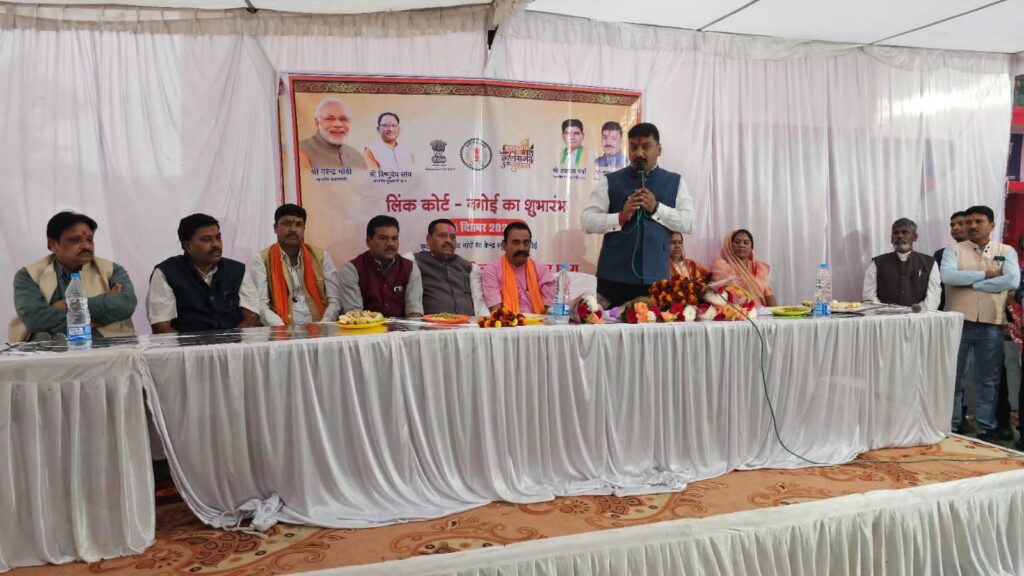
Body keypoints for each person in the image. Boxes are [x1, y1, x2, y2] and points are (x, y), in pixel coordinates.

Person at [581, 122, 696, 307]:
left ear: (659, 149)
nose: (639, 153)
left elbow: (689, 223)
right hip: (613, 279)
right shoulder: (610, 181)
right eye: (633, 147)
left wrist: (657, 208)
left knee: (652, 326)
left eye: (646, 147)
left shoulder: (675, 182)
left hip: (656, 281)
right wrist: (620, 217)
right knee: (608, 326)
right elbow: (586, 221)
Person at [940, 205, 1020, 443]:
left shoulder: (1005, 251)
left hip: (991, 324)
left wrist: (972, 284)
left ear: (992, 225)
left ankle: (986, 428)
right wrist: (986, 275)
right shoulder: (953, 251)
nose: (972, 226)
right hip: (957, 322)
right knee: (953, 378)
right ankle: (952, 424)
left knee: (989, 380)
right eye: (969, 222)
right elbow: (948, 277)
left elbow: (1012, 280)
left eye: (978, 221)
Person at [10, 211, 136, 341]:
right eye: (75, 240)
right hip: (47, 349)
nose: (86, 246)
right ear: (53, 244)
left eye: (89, 239)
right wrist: (97, 317)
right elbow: (36, 319)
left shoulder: (111, 270)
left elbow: (125, 305)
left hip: (107, 345)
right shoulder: (28, 275)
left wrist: (62, 306)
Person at [148, 213, 261, 333]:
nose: (216, 244)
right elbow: (161, 327)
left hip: (233, 343)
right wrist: (189, 346)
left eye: (218, 237)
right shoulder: (166, 273)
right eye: (207, 239)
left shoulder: (237, 270)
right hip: (187, 344)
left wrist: (233, 342)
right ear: (187, 245)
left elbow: (252, 318)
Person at [249, 204, 341, 326]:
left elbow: (334, 300)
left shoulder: (321, 257)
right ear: (275, 228)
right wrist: (284, 330)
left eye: (298, 224)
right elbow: (261, 305)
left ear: (304, 229)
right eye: (286, 224)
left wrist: (323, 326)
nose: (293, 229)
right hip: (280, 329)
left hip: (321, 327)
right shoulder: (261, 260)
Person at [339, 215, 423, 317]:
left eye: (394, 238)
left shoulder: (410, 269)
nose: (390, 244)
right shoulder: (352, 270)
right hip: (365, 326)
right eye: (383, 238)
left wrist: (411, 325)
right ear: (369, 241)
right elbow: (355, 315)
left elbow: (414, 310)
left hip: (402, 327)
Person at [862, 218, 940, 309]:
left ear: (915, 237)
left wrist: (915, 313)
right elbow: (869, 296)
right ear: (891, 238)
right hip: (883, 315)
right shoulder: (877, 263)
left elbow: (933, 297)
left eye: (904, 232)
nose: (899, 236)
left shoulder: (929, 263)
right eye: (895, 233)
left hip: (919, 315)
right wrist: (885, 312)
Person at [481, 222, 555, 314]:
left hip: (539, 321)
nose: (522, 248)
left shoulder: (541, 270)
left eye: (526, 243)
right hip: (507, 322)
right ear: (504, 245)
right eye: (515, 242)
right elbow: (497, 311)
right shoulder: (492, 270)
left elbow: (548, 310)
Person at [415, 219, 475, 315]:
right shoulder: (416, 263)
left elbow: (478, 300)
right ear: (429, 239)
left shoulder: (467, 267)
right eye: (442, 236)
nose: (449, 241)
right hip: (432, 324)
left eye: (453, 237)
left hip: (468, 323)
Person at [710, 229, 778, 307]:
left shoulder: (759, 267)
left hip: (761, 311)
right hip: (734, 311)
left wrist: (774, 312)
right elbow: (722, 294)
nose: (741, 245)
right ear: (730, 245)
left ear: (751, 247)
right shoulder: (721, 266)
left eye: (746, 242)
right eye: (737, 242)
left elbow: (768, 294)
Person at [298, 97, 367, 171]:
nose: (338, 124)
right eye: (329, 119)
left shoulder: (358, 158)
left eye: (343, 119)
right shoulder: (299, 151)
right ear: (317, 123)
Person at [934, 211, 967, 311]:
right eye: (952, 225)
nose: (955, 228)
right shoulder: (940, 254)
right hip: (948, 309)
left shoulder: (985, 251)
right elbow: (938, 285)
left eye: (961, 224)